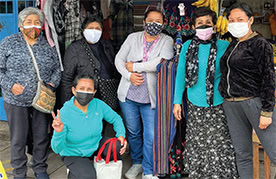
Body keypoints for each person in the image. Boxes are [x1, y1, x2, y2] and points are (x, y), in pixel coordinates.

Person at [173, 7, 238, 179]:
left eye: (207, 23)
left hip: (218, 103)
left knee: (219, 143)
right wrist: (176, 101)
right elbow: (180, 74)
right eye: (200, 23)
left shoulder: (225, 46)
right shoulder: (187, 46)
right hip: (195, 103)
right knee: (198, 143)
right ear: (193, 26)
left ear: (214, 26)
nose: (204, 26)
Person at [0, 7, 61, 179]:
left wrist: (52, 83)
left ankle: (40, 168)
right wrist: (11, 85)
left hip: (42, 100)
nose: (33, 26)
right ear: (20, 26)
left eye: (37, 23)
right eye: (29, 23)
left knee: (41, 136)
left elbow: (57, 68)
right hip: (16, 100)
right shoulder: (8, 42)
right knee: (18, 138)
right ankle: (19, 172)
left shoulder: (48, 44)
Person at [115, 8, 174, 179]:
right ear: (144, 21)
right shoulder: (133, 38)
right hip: (129, 96)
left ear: (163, 24)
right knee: (133, 132)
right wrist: (128, 75)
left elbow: (161, 62)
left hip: (151, 98)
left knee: (151, 135)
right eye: (150, 20)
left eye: (158, 21)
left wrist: (135, 66)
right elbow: (119, 59)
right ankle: (137, 162)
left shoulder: (167, 40)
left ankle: (148, 170)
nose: (153, 24)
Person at [219, 3, 276, 179]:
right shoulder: (233, 44)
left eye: (240, 19)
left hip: (254, 103)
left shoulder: (259, 43)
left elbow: (269, 77)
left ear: (250, 20)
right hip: (232, 105)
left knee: (274, 150)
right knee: (242, 155)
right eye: (231, 20)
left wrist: (267, 110)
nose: (235, 23)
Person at [51, 74, 127, 179]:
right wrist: (58, 132)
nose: (85, 92)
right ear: (74, 90)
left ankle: (94, 169)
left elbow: (116, 118)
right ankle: (75, 173)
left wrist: (121, 135)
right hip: (74, 153)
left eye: (89, 89)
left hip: (95, 144)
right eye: (81, 88)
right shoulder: (65, 112)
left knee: (116, 145)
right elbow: (56, 148)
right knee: (88, 176)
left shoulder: (98, 104)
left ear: (94, 92)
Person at [60, 16, 120, 106]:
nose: (94, 31)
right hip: (84, 98)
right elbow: (67, 79)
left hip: (107, 96)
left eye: (97, 28)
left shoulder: (107, 46)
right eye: (90, 28)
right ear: (83, 30)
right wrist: (69, 104)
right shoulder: (74, 49)